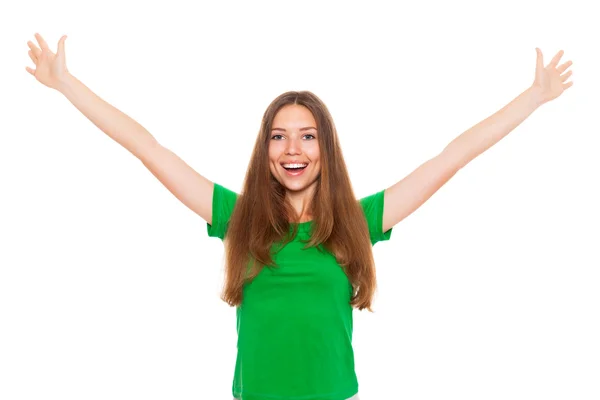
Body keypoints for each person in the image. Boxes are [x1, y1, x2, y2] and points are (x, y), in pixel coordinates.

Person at [25, 32, 573, 400]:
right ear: (265, 150)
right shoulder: (235, 218)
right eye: (279, 136)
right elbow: (148, 147)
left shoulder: (361, 222)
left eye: (307, 136)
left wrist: (534, 96)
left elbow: (452, 157)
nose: (294, 148)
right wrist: (66, 83)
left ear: (324, 148)